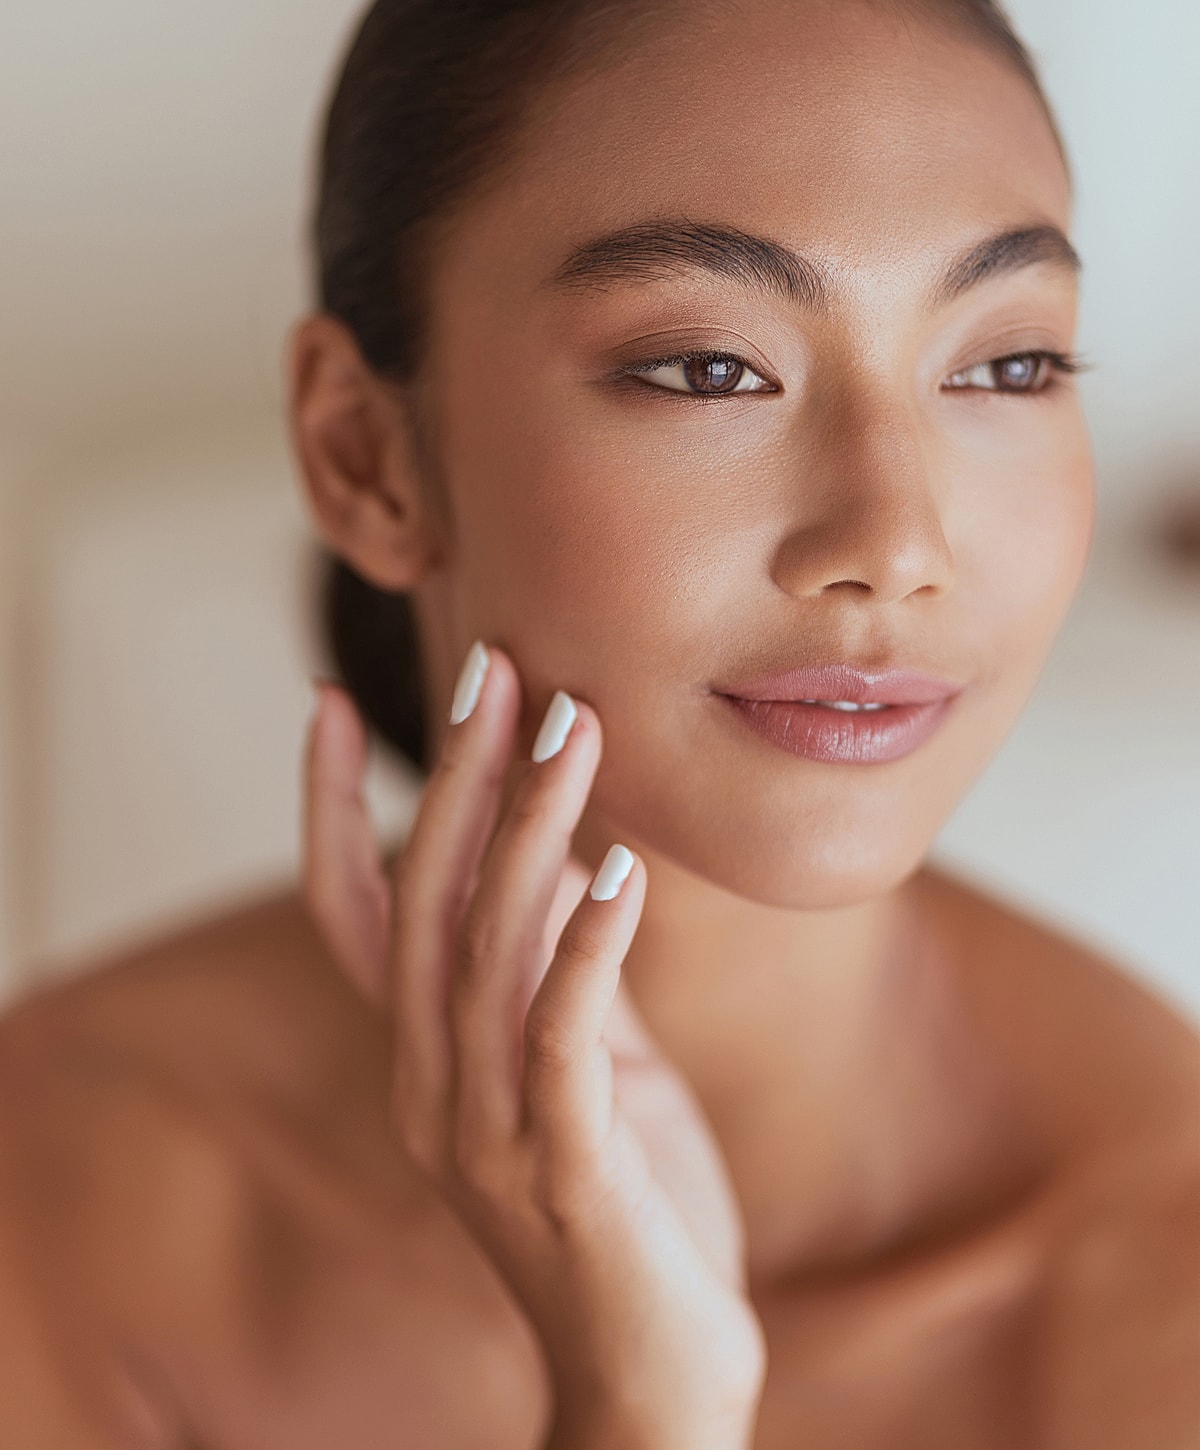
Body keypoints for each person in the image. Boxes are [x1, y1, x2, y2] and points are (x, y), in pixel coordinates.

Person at [0, 0, 1196, 1445]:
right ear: (363, 454)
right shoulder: (61, 1173)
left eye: (1007, 364)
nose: (896, 536)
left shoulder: (1161, 1263)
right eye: (710, 367)